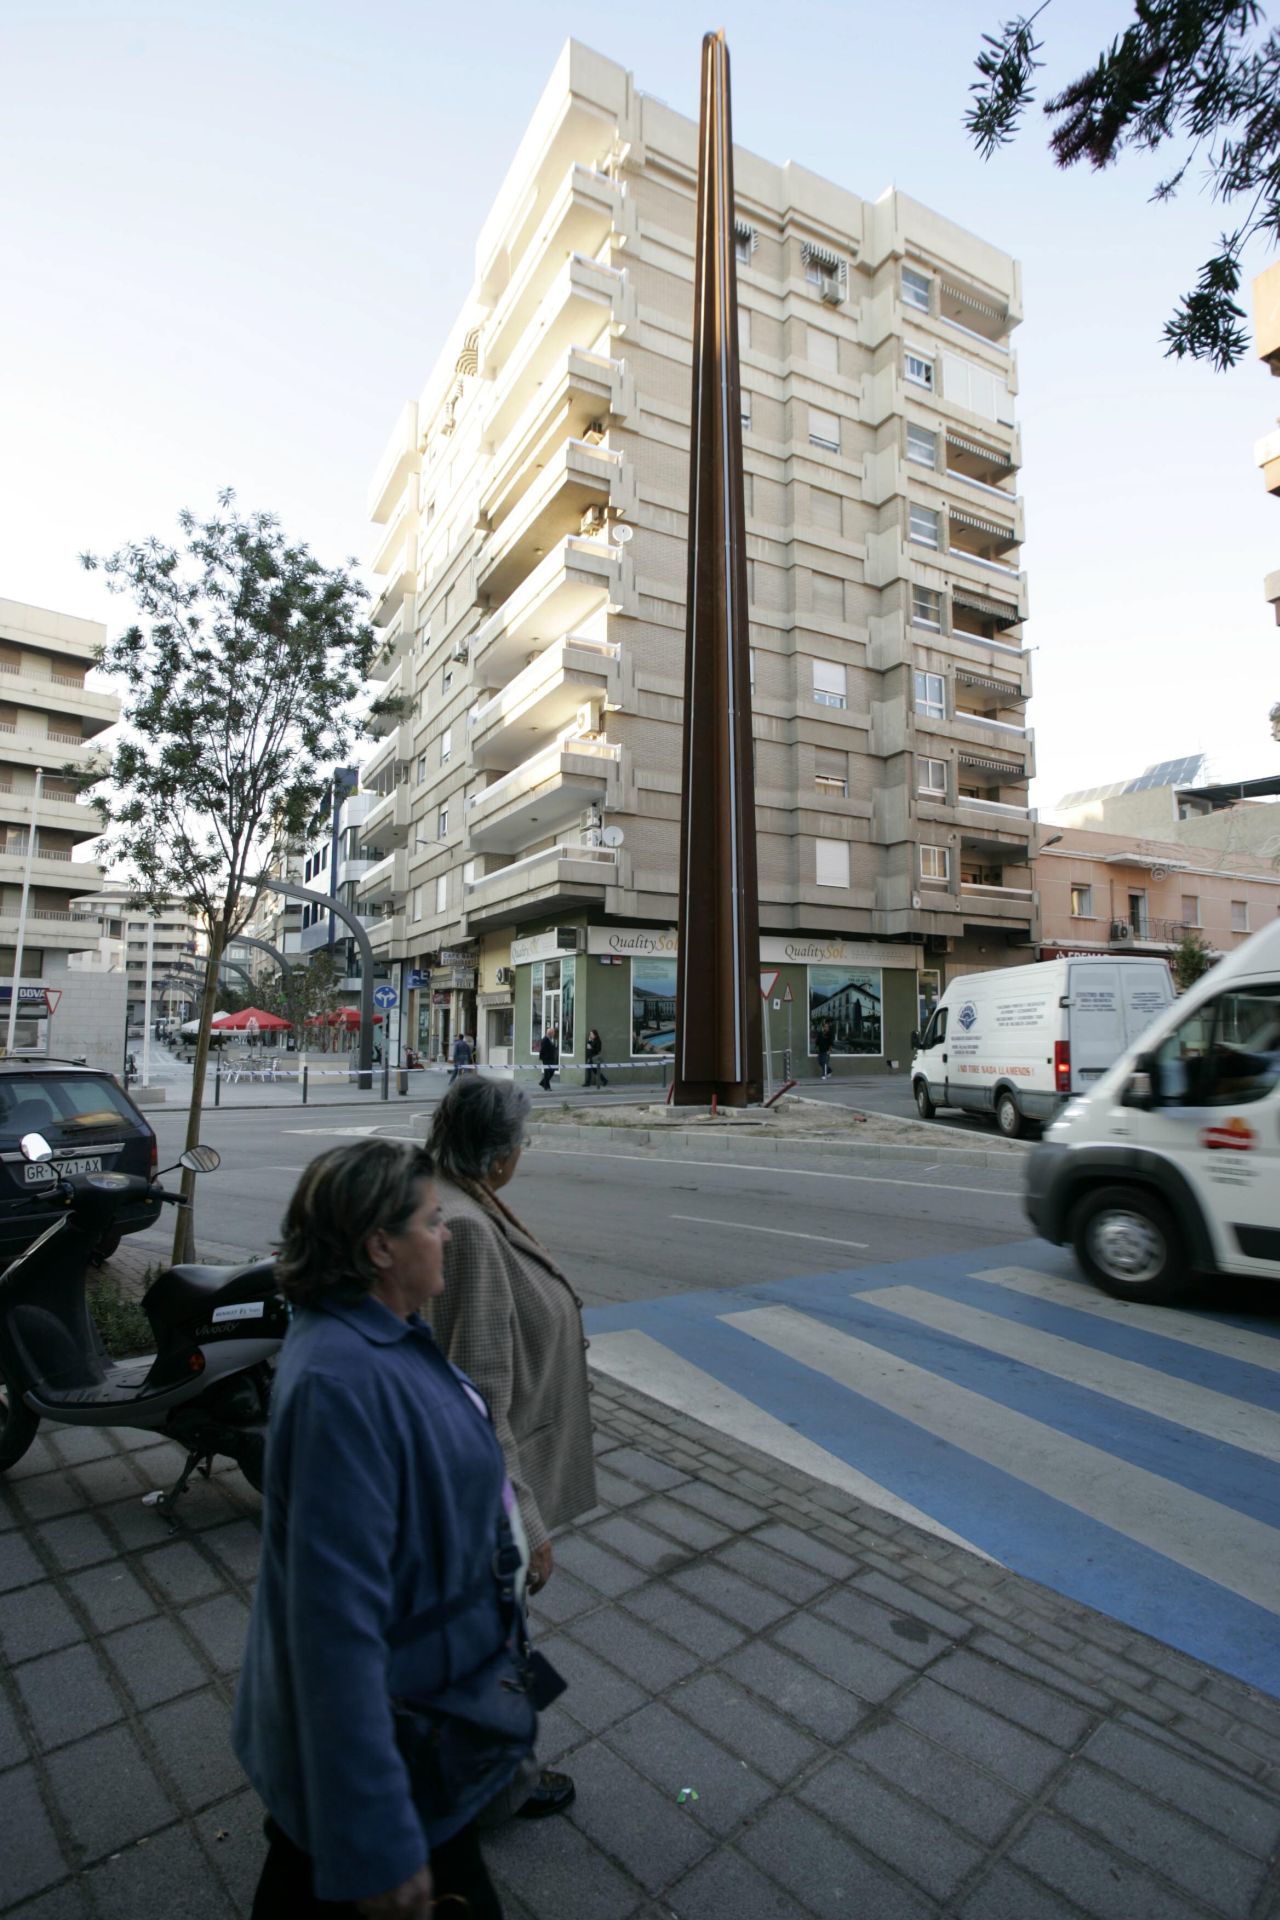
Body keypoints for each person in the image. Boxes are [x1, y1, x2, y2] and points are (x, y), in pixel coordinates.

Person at [233, 1139, 529, 1919]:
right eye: (433, 1222)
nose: (449, 1234)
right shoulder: (341, 1381)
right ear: (378, 1246)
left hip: (423, 1711)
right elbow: (334, 1628)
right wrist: (375, 1835)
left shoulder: (380, 1333)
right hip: (396, 1740)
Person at [424, 1078, 597, 1818]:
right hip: (486, 1488)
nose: (524, 1154)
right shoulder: (466, 1231)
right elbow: (479, 1391)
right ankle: (505, 1783)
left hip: (458, 1481)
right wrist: (521, 1523)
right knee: (498, 1641)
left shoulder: (448, 1188)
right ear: (498, 1159)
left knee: (475, 1643)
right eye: (521, 1143)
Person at [537, 1024, 558, 1092]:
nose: (554, 1034)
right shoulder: (545, 1040)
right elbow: (543, 1050)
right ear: (550, 1033)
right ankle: (547, 1087)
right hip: (546, 1059)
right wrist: (544, 1058)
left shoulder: (550, 1039)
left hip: (551, 1059)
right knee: (547, 1072)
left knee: (551, 1071)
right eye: (553, 1033)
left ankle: (543, 1082)